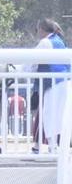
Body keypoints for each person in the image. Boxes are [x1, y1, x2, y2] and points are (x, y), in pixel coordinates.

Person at [36, 17, 69, 149]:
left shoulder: (45, 42)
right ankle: (57, 147)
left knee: (49, 114)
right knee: (60, 115)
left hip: (53, 83)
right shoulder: (60, 41)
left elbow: (31, 62)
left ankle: (52, 146)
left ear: (42, 29)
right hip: (65, 82)